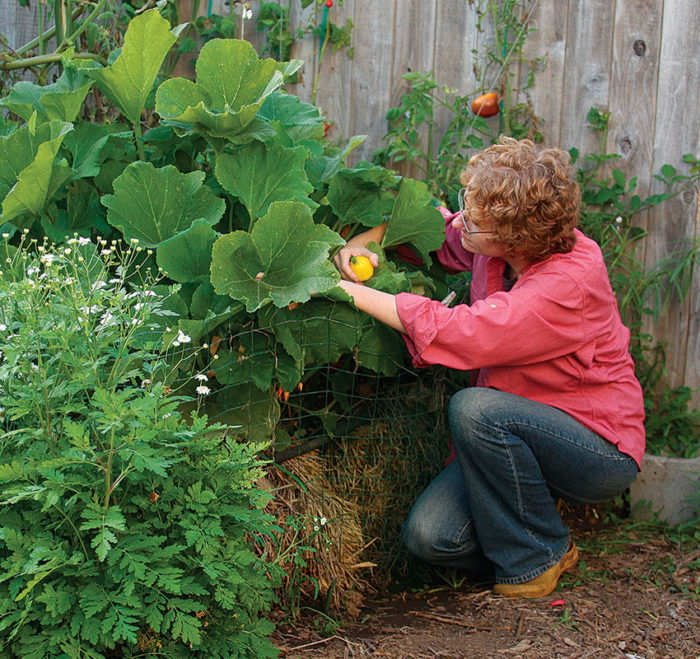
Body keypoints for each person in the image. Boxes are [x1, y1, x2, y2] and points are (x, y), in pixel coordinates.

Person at [333, 136, 645, 599]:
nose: (465, 222)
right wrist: (370, 240)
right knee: (431, 537)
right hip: (518, 431)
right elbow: (441, 236)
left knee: (475, 408)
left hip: (595, 447)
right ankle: (535, 532)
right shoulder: (498, 243)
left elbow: (464, 334)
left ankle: (536, 557)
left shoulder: (565, 285)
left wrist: (349, 291)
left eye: (477, 220)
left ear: (514, 236)